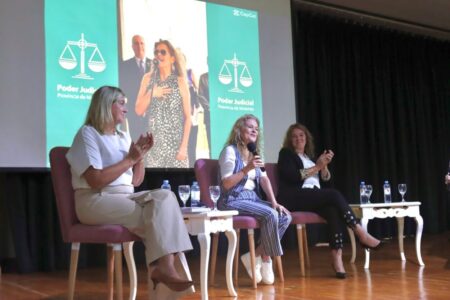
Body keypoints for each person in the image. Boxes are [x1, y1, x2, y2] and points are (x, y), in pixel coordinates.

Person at [66, 86, 194, 297]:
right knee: (160, 218)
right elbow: (95, 180)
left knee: (166, 197)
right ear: (107, 105)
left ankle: (164, 270)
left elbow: (135, 180)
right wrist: (130, 159)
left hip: (125, 197)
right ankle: (166, 271)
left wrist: (140, 156)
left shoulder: (123, 135)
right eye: (122, 103)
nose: (126, 109)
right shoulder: (87, 133)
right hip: (95, 200)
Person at [277, 123, 382, 279]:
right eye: (294, 136)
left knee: (333, 211)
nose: (298, 138)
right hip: (294, 197)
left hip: (313, 196)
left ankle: (337, 258)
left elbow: (325, 180)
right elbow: (293, 176)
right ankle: (361, 233)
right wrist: (318, 167)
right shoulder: (286, 154)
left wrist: (323, 167)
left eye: (301, 135)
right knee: (334, 195)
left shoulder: (309, 157)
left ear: (307, 138)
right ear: (289, 140)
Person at [217, 114, 292, 285]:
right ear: (239, 130)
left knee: (285, 215)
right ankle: (265, 260)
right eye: (250, 127)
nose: (254, 130)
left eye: (256, 129)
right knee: (271, 215)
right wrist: (246, 169)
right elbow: (226, 184)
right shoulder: (230, 151)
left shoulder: (255, 154)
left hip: (252, 199)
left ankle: (258, 255)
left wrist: (274, 201)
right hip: (232, 199)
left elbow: (264, 180)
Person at [135, 39, 191, 168]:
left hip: (176, 145)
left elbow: (188, 118)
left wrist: (183, 147)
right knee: (156, 186)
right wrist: (152, 93)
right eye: (156, 52)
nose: (158, 55)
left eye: (163, 52)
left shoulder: (180, 81)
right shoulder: (148, 78)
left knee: (176, 186)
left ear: (172, 58)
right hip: (154, 147)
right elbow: (138, 110)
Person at [119, 35, 151, 140]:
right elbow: (123, 88)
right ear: (132, 46)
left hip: (152, 111)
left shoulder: (155, 65)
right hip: (133, 111)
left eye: (142, 43)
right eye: (136, 43)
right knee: (136, 141)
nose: (139, 46)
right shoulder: (125, 66)